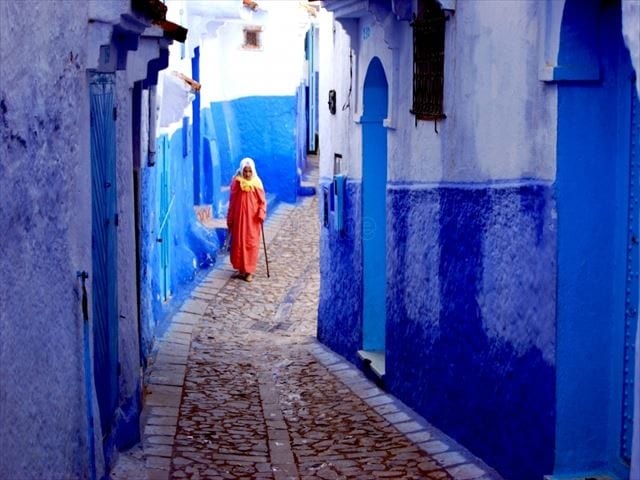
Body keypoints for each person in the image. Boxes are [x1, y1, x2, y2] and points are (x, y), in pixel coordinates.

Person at [226, 157, 266, 282]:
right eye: (245, 171)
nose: (247, 174)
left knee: (250, 243)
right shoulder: (236, 182)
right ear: (242, 171)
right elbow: (232, 202)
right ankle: (241, 269)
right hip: (239, 219)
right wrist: (230, 217)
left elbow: (262, 202)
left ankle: (249, 271)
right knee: (238, 243)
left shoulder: (257, 183)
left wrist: (261, 213)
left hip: (251, 220)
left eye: (249, 171)